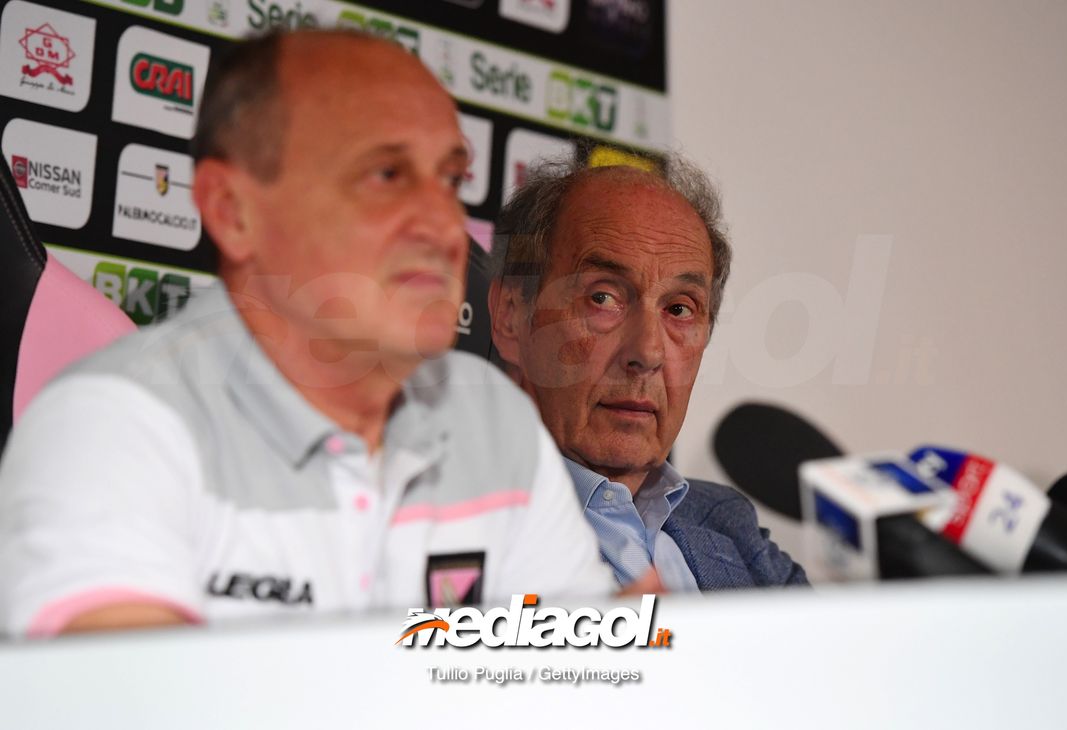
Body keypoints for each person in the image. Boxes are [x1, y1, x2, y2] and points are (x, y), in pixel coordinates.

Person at [0, 30, 615, 637]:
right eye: (385, 175)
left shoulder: (495, 420)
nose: (443, 225)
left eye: (450, 181)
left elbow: (589, 691)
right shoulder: (112, 423)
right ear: (232, 211)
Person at [488, 156, 808, 591]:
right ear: (511, 316)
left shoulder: (729, 529)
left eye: (679, 309)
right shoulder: (440, 524)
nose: (648, 352)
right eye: (603, 298)